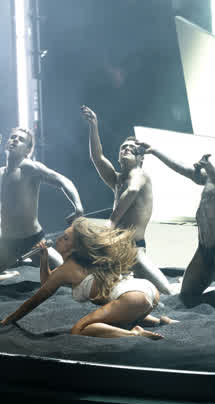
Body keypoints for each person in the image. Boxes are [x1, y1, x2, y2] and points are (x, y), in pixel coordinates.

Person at [0, 218, 177, 338]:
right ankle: (160, 321)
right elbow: (48, 283)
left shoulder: (67, 269)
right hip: (147, 291)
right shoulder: (82, 263)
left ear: (74, 248)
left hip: (132, 297)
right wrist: (44, 259)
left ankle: (134, 334)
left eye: (65, 238)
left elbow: (37, 298)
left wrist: (9, 319)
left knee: (79, 329)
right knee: (118, 314)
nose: (59, 239)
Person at [137, 140, 215, 307]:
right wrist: (155, 151)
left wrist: (208, 167)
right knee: (186, 295)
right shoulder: (214, 175)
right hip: (203, 249)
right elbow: (184, 169)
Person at [0, 128, 84, 299]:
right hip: (6, 244)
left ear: (28, 150)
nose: (14, 140)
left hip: (34, 242)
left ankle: (4, 274)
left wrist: (78, 207)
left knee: (71, 280)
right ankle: (3, 275)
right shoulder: (1, 173)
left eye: (20, 139)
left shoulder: (30, 167)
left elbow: (63, 181)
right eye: (12, 137)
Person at [81, 105, 176, 295]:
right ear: (118, 157)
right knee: (98, 285)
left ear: (141, 159)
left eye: (132, 149)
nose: (127, 149)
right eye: (124, 147)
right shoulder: (117, 180)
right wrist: (94, 126)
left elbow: (132, 190)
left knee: (166, 290)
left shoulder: (140, 174)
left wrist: (111, 222)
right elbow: (97, 157)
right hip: (116, 248)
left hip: (134, 248)